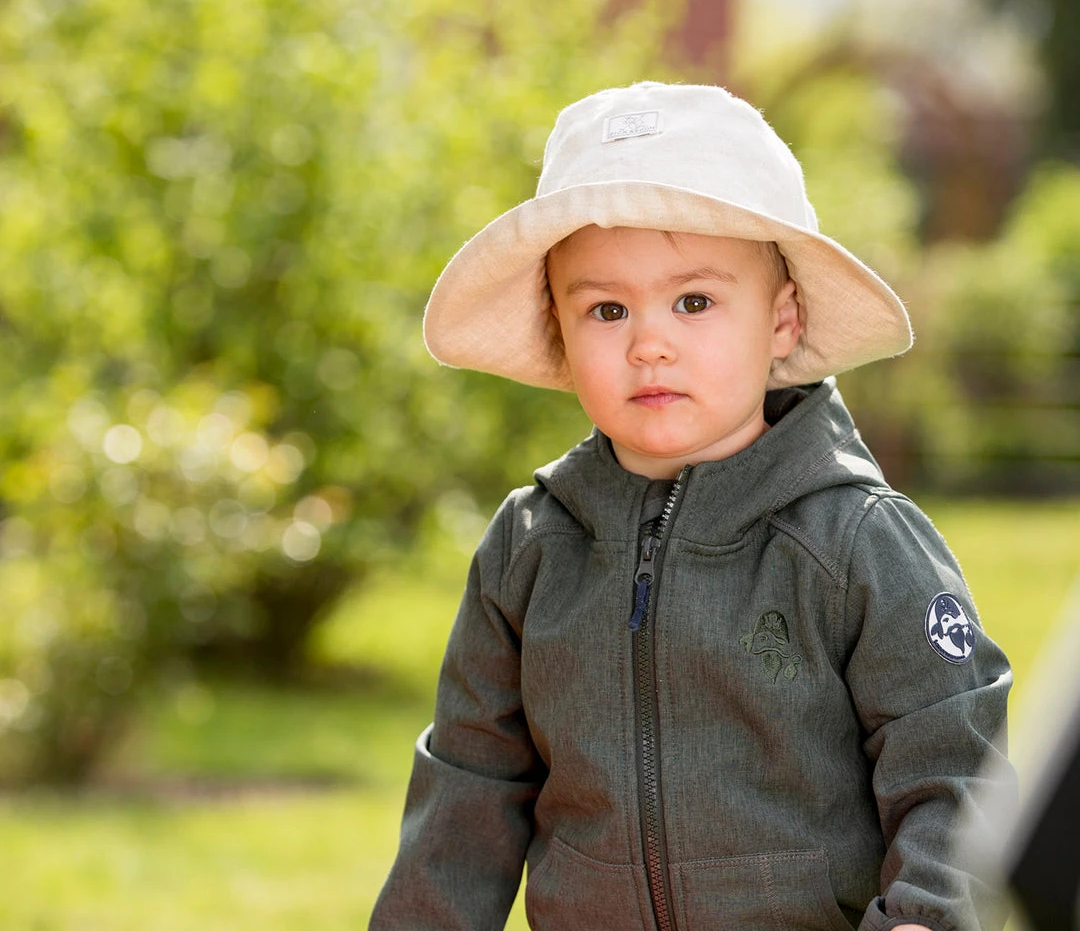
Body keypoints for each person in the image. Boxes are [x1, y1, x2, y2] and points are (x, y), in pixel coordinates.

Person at [370, 82, 1014, 931]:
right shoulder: (530, 547)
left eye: (694, 301)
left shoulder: (855, 538)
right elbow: (468, 783)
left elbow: (955, 762)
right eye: (606, 309)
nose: (650, 342)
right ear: (560, 334)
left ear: (782, 321)